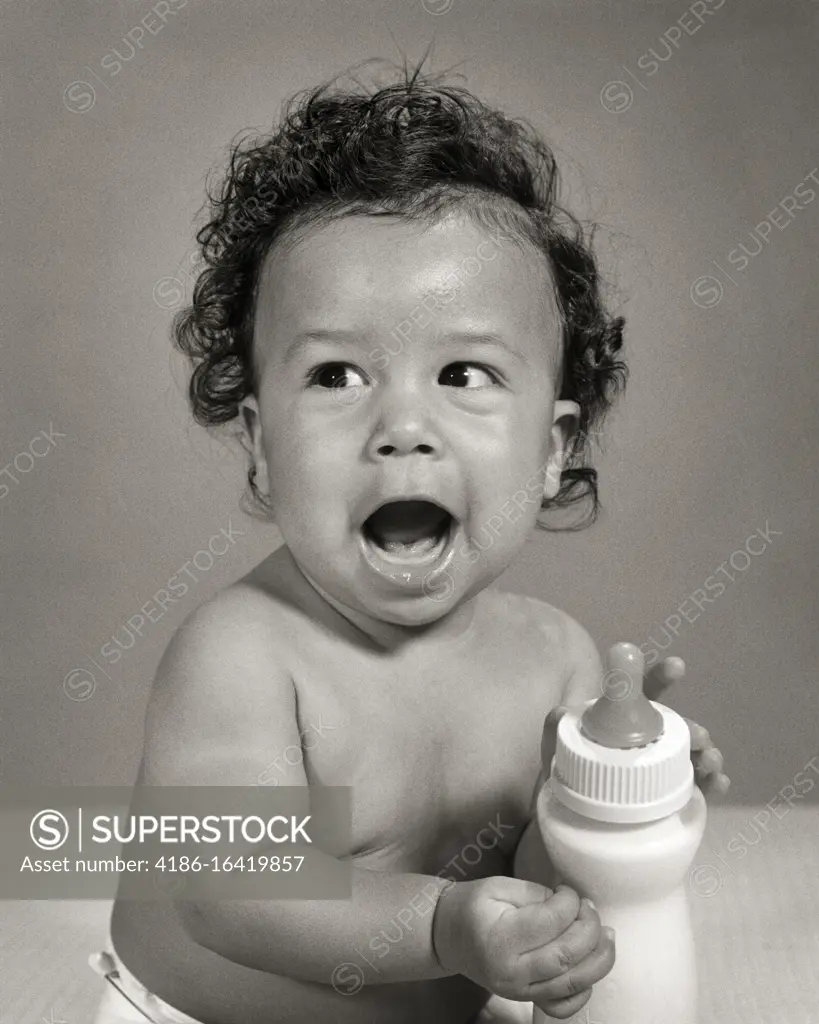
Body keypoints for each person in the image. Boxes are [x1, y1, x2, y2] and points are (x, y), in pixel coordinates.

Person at [93, 60, 730, 1024]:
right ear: (262, 448)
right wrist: (442, 926)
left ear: (552, 449)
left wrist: (612, 797)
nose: (401, 424)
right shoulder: (243, 654)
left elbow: (535, 884)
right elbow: (225, 890)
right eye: (338, 375)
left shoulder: (553, 655)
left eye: (464, 372)